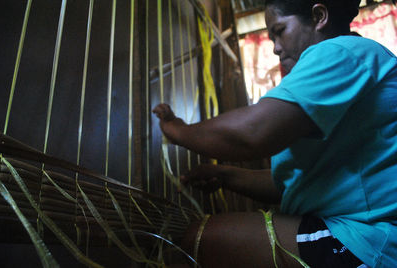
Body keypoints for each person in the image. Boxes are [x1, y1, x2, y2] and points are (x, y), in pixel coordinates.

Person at [153, 0, 397, 267]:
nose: (276, 47)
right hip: (363, 230)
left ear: (319, 16)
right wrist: (225, 175)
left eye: (280, 31)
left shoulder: (341, 51)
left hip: (371, 239)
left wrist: (177, 130)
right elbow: (293, 185)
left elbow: (253, 132)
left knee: (197, 240)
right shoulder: (348, 62)